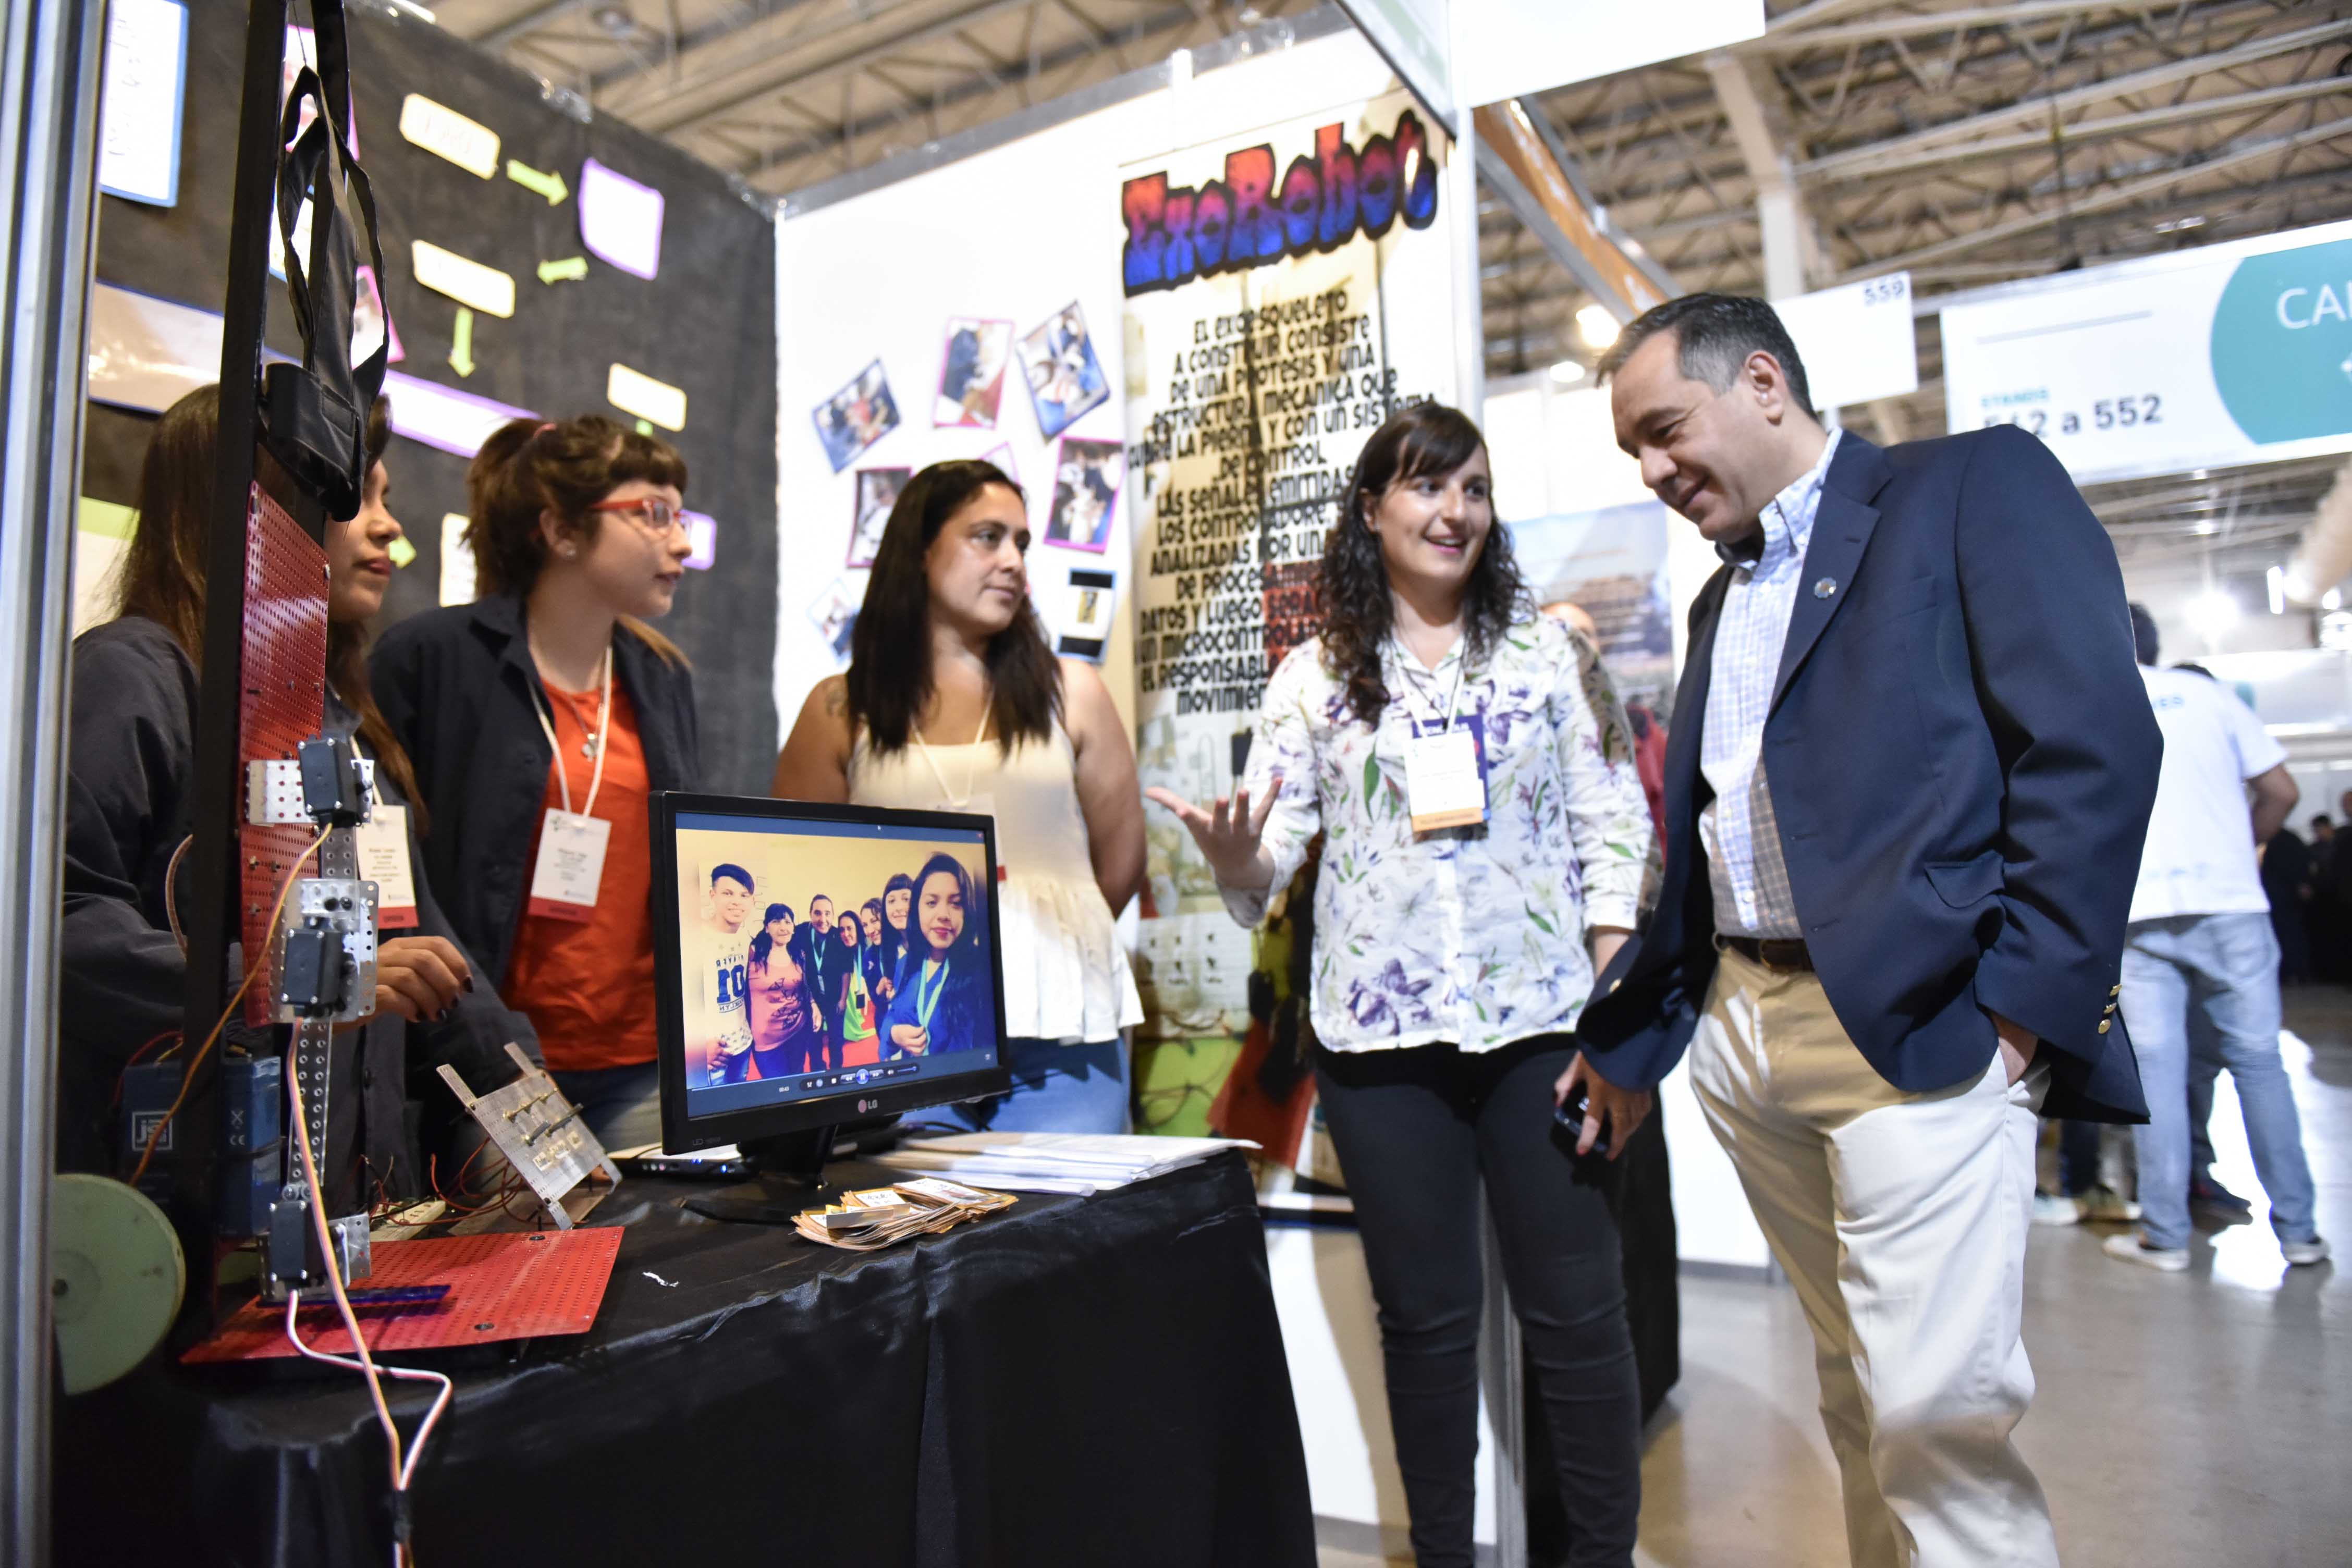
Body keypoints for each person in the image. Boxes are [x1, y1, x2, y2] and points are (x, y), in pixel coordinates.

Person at [1574, 294, 2161, 1568]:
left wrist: (2018, 1012)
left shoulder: (1965, 488)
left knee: (1933, 1414)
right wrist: (1646, 1031)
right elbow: (1706, 833)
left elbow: (2089, 745)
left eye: (1664, 429)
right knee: (1854, 1384)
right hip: (1745, 1030)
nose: (1653, 469)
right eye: (1632, 451)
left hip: (1923, 1027)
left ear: (1763, 384)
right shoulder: (1718, 603)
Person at [1152, 403, 1653, 1568]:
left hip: (1543, 1033)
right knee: (1426, 1333)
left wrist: (1613, 1014)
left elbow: (1612, 829)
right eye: (1427, 488)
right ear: (1372, 511)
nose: (1454, 511)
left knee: (1580, 1325)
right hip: (1381, 1055)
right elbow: (1267, 860)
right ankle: (1443, 1553)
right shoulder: (1315, 674)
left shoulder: (1547, 649)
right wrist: (1236, 862)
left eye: (1472, 488)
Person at [59, 386, 487, 1209]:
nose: (388, 525)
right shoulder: (135, 677)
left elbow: (417, 938)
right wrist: (304, 982)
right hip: (173, 1209)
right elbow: (61, 921)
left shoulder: (340, 718)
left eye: (386, 499)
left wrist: (530, 1109)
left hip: (354, 1197)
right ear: (259, 501)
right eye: (355, 495)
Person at [772, 458, 1145, 1132]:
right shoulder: (839, 708)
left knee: (1064, 1233)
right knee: (912, 1231)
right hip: (905, 1039)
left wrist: (1032, 949)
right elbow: (803, 884)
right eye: (987, 536)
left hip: (1059, 1039)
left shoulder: (1073, 692)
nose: (1012, 562)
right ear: (920, 550)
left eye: (1022, 544)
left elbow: (1119, 866)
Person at [373, 414, 702, 1152]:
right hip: (491, 1073)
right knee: (524, 1267)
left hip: (646, 1065)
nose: (680, 542)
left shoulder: (661, 677)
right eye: (652, 514)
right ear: (561, 532)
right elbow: (394, 880)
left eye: (679, 516)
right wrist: (489, 1060)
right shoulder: (432, 660)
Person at [2106, 605, 2326, 1271]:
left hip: (2139, 911)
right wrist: (2245, 840)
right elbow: (2282, 789)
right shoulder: (2210, 696)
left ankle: (2166, 1235)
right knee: (2260, 1064)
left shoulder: (2097, 704)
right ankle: (2299, 1232)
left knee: (2161, 1079)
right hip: (2231, 905)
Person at [879, 852, 992, 1058]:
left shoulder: (982, 970)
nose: (943, 915)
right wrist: (893, 1034)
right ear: (917, 909)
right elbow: (892, 1015)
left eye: (956, 903)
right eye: (932, 903)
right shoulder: (905, 964)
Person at [699, 864, 757, 1086]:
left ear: (751, 902)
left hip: (743, 1044)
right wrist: (696, 1046)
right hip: (712, 1053)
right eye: (728, 893)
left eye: (744, 895)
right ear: (713, 896)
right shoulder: (696, 937)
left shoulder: (746, 939)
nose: (736, 902)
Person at [747, 904, 818, 1080]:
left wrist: (814, 1005)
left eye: (788, 922)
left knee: (797, 1081)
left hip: (798, 1032)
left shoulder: (799, 954)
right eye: (776, 921)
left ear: (793, 928)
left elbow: (805, 988)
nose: (783, 927)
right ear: (766, 927)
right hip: (767, 1042)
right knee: (777, 1090)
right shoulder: (753, 954)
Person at [832, 909, 879, 1064]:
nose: (845, 934)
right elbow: (846, 971)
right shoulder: (844, 947)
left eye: (850, 928)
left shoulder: (870, 946)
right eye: (842, 930)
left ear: (858, 929)